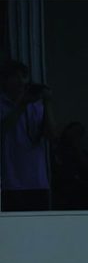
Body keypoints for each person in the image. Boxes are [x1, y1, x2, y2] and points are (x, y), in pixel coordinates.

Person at [0, 60, 56, 211]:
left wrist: (47, 102)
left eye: (24, 77)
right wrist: (22, 105)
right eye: (15, 77)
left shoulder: (36, 104)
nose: (21, 81)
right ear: (4, 80)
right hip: (9, 182)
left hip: (37, 180)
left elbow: (52, 135)